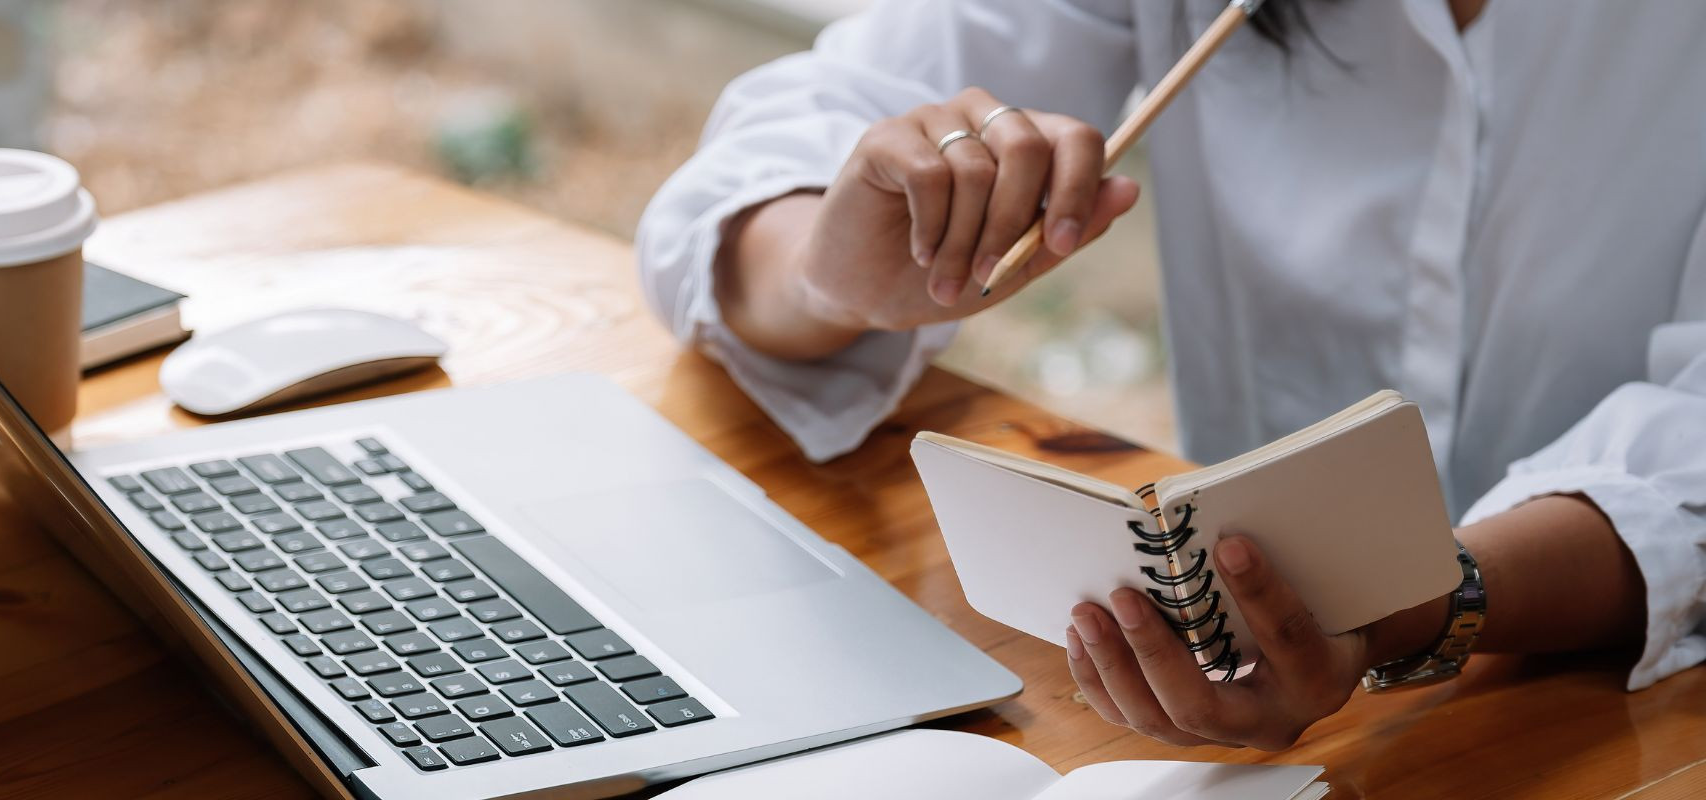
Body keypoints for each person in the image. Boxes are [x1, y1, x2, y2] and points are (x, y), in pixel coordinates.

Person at [636, 0, 1706, 750]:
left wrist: (1406, 607)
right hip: (1256, 696)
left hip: (1628, 709)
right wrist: (832, 272)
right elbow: (808, 125)